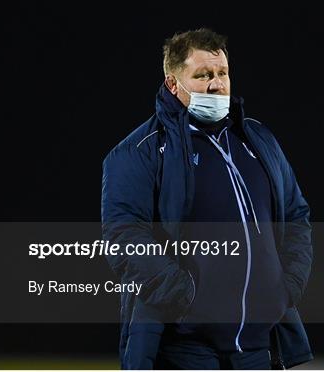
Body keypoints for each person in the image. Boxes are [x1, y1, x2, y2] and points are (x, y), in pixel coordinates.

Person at [101, 28, 313, 370]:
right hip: (185, 347)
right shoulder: (139, 151)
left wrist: (285, 287)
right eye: (202, 76)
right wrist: (182, 297)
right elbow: (124, 236)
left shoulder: (258, 140)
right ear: (173, 84)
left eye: (222, 74)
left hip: (257, 346)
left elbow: (295, 214)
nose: (217, 85)